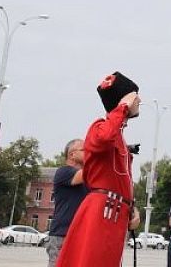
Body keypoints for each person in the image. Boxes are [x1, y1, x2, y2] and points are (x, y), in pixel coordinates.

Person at [56, 71, 142, 267]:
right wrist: (122, 107)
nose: (139, 100)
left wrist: (132, 207)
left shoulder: (119, 137)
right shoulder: (100, 127)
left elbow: (122, 181)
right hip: (102, 210)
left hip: (115, 211)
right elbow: (103, 138)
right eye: (135, 96)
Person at [46, 138, 88, 265]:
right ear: (72, 155)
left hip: (81, 235)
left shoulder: (88, 180)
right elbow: (87, 173)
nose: (89, 152)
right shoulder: (63, 172)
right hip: (62, 235)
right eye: (85, 150)